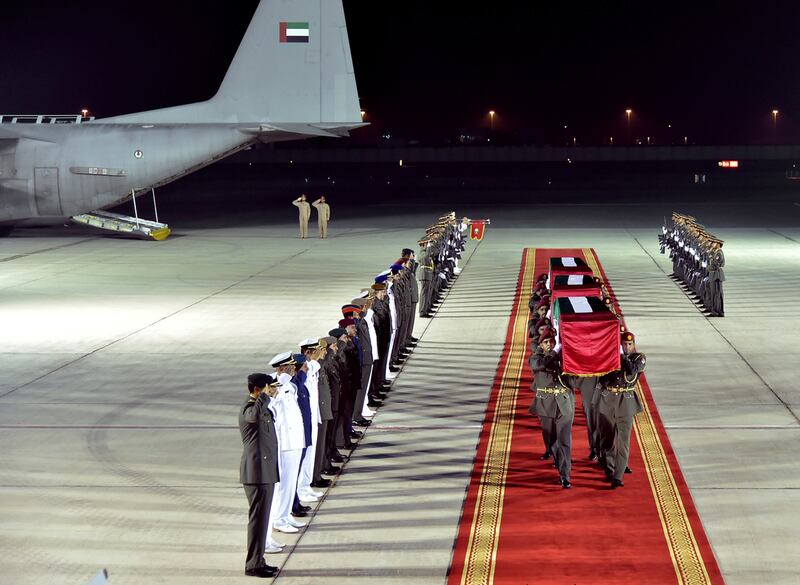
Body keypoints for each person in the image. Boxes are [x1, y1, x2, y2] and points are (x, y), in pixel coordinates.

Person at [239, 373, 280, 578]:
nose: (272, 391)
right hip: (256, 474)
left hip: (265, 473)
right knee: (258, 521)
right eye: (269, 388)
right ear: (257, 389)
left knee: (263, 521)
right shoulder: (249, 408)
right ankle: (253, 565)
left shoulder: (262, 408)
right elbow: (253, 417)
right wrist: (263, 397)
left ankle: (259, 560)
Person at [596, 331, 646, 488]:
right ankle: (610, 470)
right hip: (608, 401)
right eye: (624, 344)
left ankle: (618, 476)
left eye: (630, 344)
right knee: (607, 440)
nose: (627, 346)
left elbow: (631, 370)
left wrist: (619, 356)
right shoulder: (611, 357)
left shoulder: (639, 358)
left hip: (625, 402)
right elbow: (603, 379)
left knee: (623, 442)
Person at [267, 352, 308, 534]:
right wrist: (280, 382)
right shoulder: (275, 385)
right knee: (284, 483)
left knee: (291, 482)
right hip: (285, 443)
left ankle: (285, 515)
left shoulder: (289, 385)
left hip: (295, 440)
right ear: (282, 368)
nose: (294, 369)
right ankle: (279, 519)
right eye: (290, 366)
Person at [529, 328, 574, 489]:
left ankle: (565, 475)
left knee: (564, 441)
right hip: (545, 403)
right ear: (540, 345)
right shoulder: (536, 358)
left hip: (563, 403)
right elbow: (541, 365)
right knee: (552, 440)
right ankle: (559, 460)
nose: (550, 344)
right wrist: (555, 353)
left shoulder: (562, 358)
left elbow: (572, 381)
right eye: (546, 342)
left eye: (552, 342)